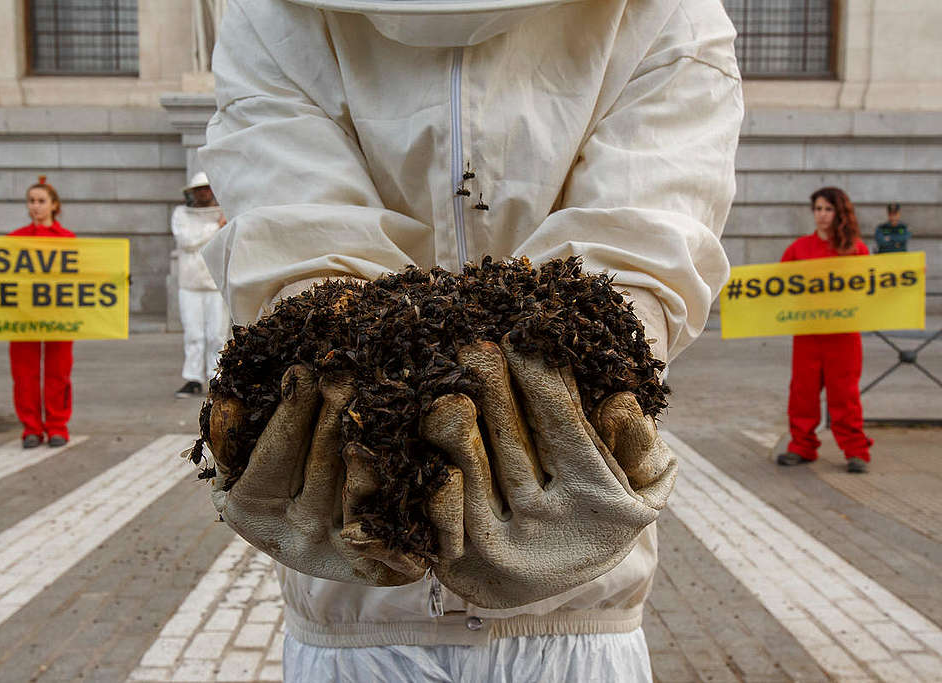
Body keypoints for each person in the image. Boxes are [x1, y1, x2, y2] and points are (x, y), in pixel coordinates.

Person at [199, 0, 743, 679]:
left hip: (537, 607)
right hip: (396, 611)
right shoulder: (273, 14)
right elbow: (636, 259)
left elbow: (635, 256)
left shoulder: (666, 12)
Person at [776, 187, 874, 474]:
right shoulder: (798, 249)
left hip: (843, 335)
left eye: (828, 209)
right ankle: (801, 446)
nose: (822, 215)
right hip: (807, 334)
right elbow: (778, 288)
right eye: (818, 209)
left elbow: (869, 289)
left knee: (845, 395)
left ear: (839, 212)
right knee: (802, 393)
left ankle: (856, 450)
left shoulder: (856, 249)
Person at [10, 177, 76, 448]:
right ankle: (31, 428)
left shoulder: (69, 241)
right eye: (31, 201)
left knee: (58, 373)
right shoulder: (14, 240)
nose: (35, 206)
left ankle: (57, 425)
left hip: (59, 317)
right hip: (22, 317)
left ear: (54, 205)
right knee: (24, 375)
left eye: (41, 201)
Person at [172, 172, 229, 398]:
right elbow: (187, 241)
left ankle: (217, 377)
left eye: (207, 188)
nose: (204, 192)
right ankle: (193, 377)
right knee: (193, 333)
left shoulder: (224, 214)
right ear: (192, 192)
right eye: (200, 189)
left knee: (217, 334)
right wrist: (214, 227)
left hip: (215, 282)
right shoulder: (181, 214)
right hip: (189, 282)